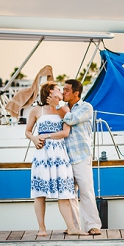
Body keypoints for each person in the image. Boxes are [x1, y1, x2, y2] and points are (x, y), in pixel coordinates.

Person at [25, 83, 82, 236]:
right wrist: (35, 138)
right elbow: (28, 131)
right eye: (58, 88)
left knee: (64, 191)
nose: (62, 91)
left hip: (59, 154)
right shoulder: (37, 110)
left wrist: (47, 136)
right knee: (40, 193)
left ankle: (71, 227)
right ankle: (42, 229)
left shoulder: (64, 109)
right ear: (50, 91)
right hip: (42, 154)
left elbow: (65, 133)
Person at [56, 78, 102, 235]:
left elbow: (72, 119)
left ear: (76, 93)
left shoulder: (85, 107)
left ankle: (93, 225)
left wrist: (59, 107)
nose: (63, 92)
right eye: (63, 89)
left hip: (81, 156)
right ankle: (74, 226)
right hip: (64, 158)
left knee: (86, 191)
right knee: (69, 194)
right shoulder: (63, 108)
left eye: (67, 90)